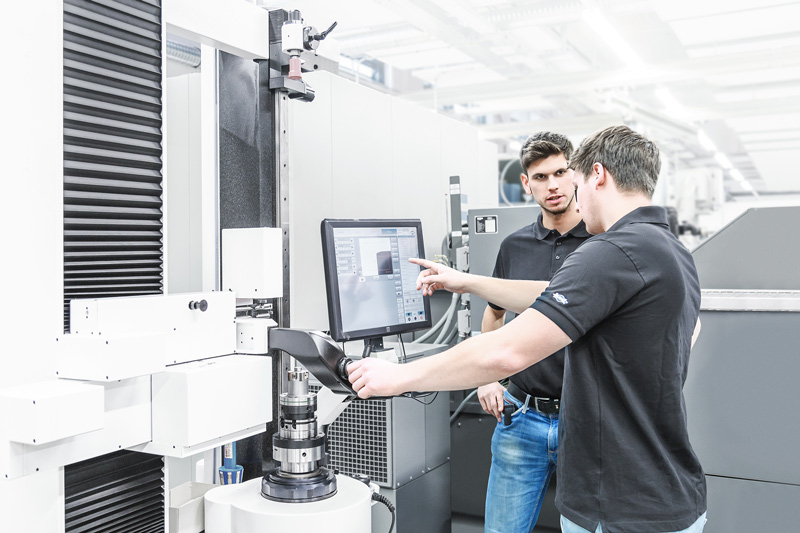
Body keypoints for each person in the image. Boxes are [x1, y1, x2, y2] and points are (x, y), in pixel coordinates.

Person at [348, 125, 707, 533]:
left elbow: (506, 352)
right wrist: (467, 281)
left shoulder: (609, 252)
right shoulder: (671, 252)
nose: (564, 188)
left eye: (570, 176)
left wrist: (398, 377)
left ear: (597, 175)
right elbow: (562, 297)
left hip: (620, 505)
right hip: (666, 490)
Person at [478, 132, 590, 533]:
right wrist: (488, 379)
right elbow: (494, 316)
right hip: (521, 418)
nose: (553, 185)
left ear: (576, 174)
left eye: (561, 172)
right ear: (526, 184)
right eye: (540, 177)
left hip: (589, 419)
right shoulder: (514, 246)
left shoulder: (605, 243)